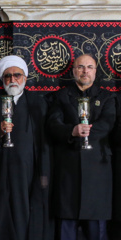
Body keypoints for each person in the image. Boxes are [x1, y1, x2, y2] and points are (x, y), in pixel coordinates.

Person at [0, 55, 52, 240]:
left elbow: (45, 141)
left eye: (17, 75)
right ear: (2, 79)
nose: (13, 80)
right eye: (8, 76)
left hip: (28, 171)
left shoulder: (38, 103)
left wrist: (44, 173)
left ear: (25, 78)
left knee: (25, 214)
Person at [47, 54, 116, 240]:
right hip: (67, 169)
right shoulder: (60, 97)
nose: (85, 71)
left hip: (98, 170)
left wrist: (84, 132)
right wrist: (72, 131)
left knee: (97, 228)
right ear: (73, 71)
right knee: (66, 226)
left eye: (90, 67)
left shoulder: (108, 97)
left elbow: (107, 124)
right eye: (81, 67)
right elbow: (53, 124)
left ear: (95, 71)